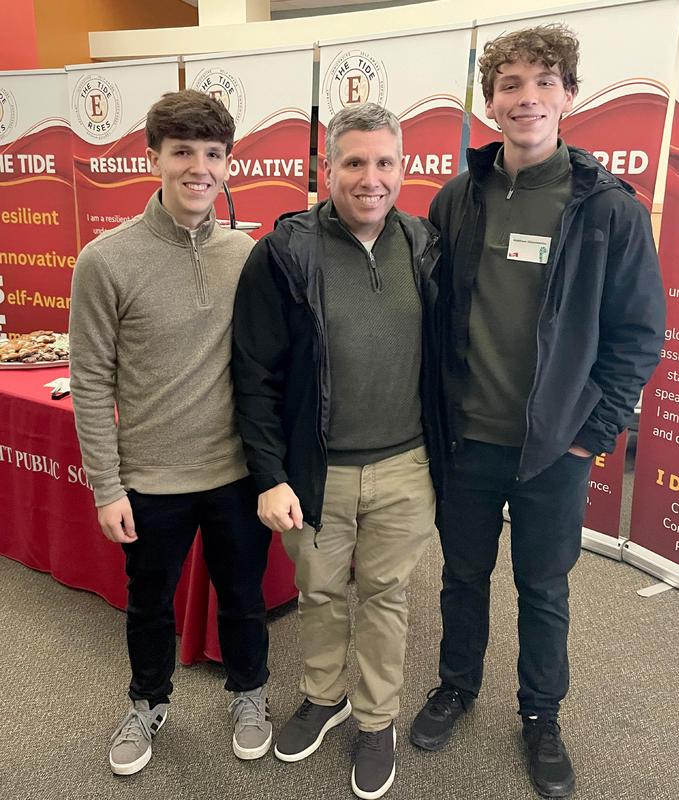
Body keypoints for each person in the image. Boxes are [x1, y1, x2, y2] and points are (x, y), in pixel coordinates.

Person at [409, 25, 666, 799]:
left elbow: (638, 332)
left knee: (544, 586)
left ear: (569, 97)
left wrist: (592, 435)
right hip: (468, 438)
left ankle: (541, 715)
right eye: (511, 84)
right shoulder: (458, 198)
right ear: (489, 103)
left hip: (555, 446)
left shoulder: (608, 210)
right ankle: (457, 686)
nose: (527, 98)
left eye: (544, 82)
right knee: (462, 574)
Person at [231, 102, 440, 800]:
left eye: (385, 163)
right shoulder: (285, 252)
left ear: (403, 169)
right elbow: (254, 376)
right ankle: (324, 697)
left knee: (385, 597)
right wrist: (270, 474)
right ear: (327, 169)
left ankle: (376, 718)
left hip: (407, 464)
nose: (370, 178)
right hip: (315, 471)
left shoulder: (423, 244)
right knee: (319, 591)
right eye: (354, 162)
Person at [69, 89, 272, 776]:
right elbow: (91, 381)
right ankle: (148, 702)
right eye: (182, 151)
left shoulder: (246, 254)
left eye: (212, 154)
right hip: (150, 479)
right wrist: (106, 485)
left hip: (236, 474)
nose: (198, 167)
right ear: (152, 156)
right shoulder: (106, 260)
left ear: (226, 163)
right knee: (148, 605)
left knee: (245, 599)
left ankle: (249, 695)